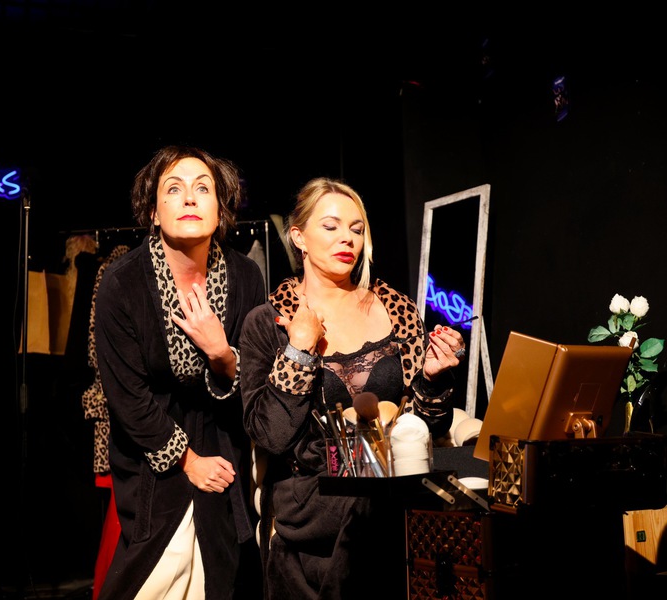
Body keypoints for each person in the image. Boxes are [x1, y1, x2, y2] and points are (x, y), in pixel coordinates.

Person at [239, 177, 466, 599]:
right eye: (331, 226)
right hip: (315, 494)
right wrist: (299, 350)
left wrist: (433, 379)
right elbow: (271, 435)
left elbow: (426, 429)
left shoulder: (397, 310)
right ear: (298, 237)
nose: (347, 238)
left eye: (357, 229)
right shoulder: (268, 322)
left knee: (471, 487)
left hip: (393, 485)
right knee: (373, 505)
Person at [94, 145, 266, 600]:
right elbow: (127, 396)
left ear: (220, 209)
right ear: (153, 212)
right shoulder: (122, 283)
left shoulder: (246, 276)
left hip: (224, 437)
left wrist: (221, 353)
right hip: (151, 450)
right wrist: (187, 461)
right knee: (157, 572)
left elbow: (256, 378)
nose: (190, 198)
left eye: (203, 189)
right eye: (174, 189)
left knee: (224, 573)